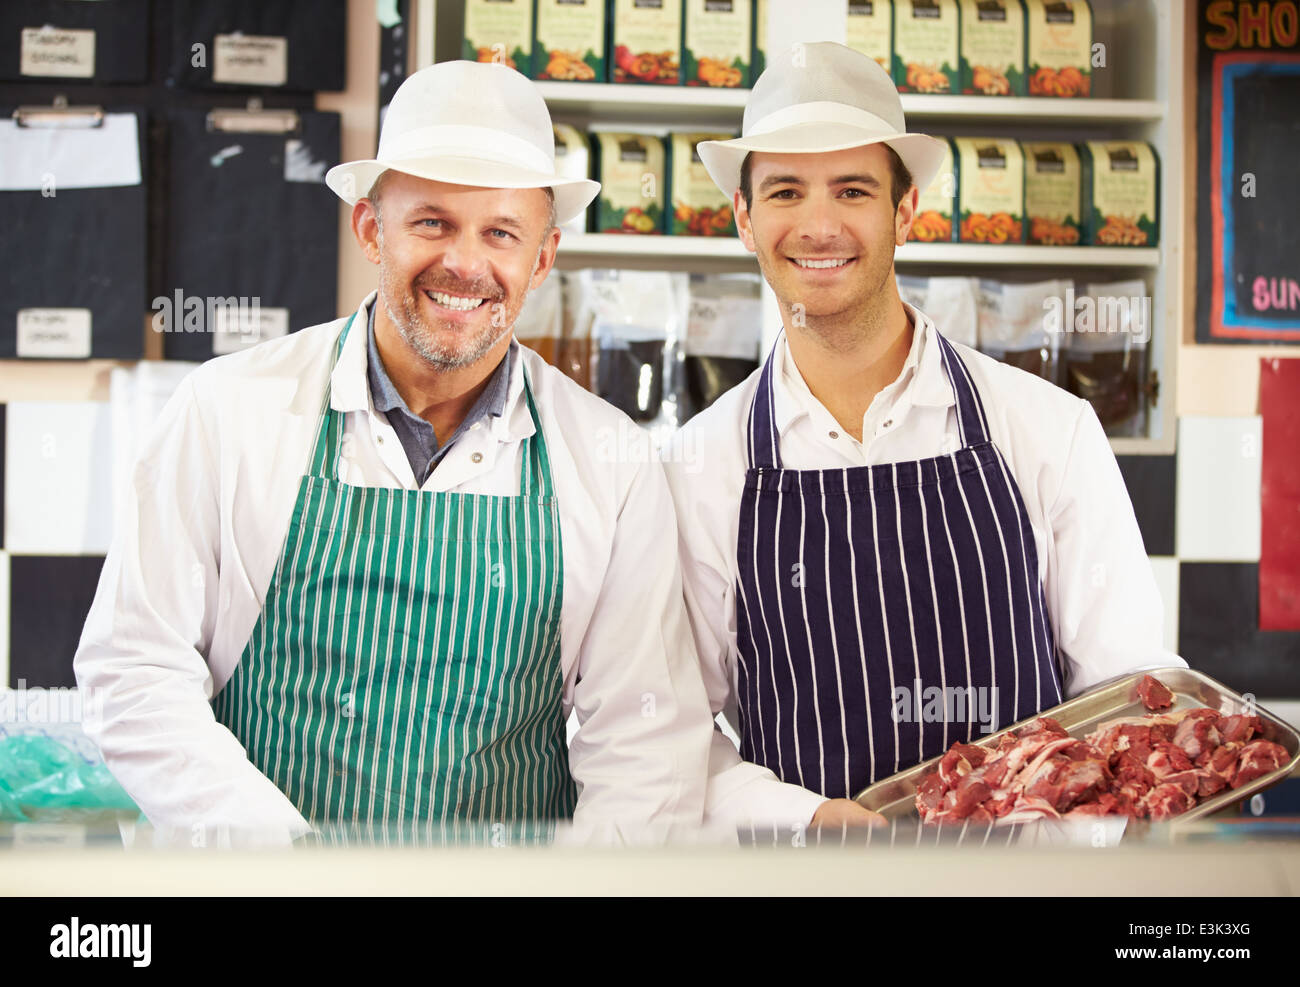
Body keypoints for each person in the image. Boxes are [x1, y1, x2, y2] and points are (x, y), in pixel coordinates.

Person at [75, 61, 712, 846]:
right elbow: (134, 671)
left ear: (542, 258)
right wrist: (288, 863)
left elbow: (647, 749)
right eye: (432, 222)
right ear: (371, 229)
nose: (465, 265)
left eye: (501, 233)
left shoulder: (610, 462)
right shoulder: (227, 411)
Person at [664, 42, 1185, 832]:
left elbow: (1131, 689)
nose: (818, 223)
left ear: (905, 211)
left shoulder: (1047, 429)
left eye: (852, 189)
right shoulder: (701, 465)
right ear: (744, 217)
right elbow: (670, 733)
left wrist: (1062, 851)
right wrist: (806, 821)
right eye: (784, 191)